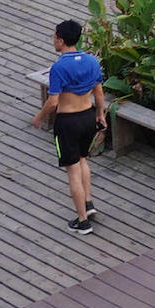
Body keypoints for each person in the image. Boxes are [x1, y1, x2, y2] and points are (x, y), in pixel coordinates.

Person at [31, 19, 105, 234]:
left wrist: (39, 117)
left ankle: (82, 221)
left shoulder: (59, 67)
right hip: (88, 117)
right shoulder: (92, 61)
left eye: (54, 37)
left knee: (72, 169)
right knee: (82, 160)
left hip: (68, 122)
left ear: (61, 41)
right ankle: (88, 203)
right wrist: (100, 114)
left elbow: (53, 102)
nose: (53, 40)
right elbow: (99, 92)